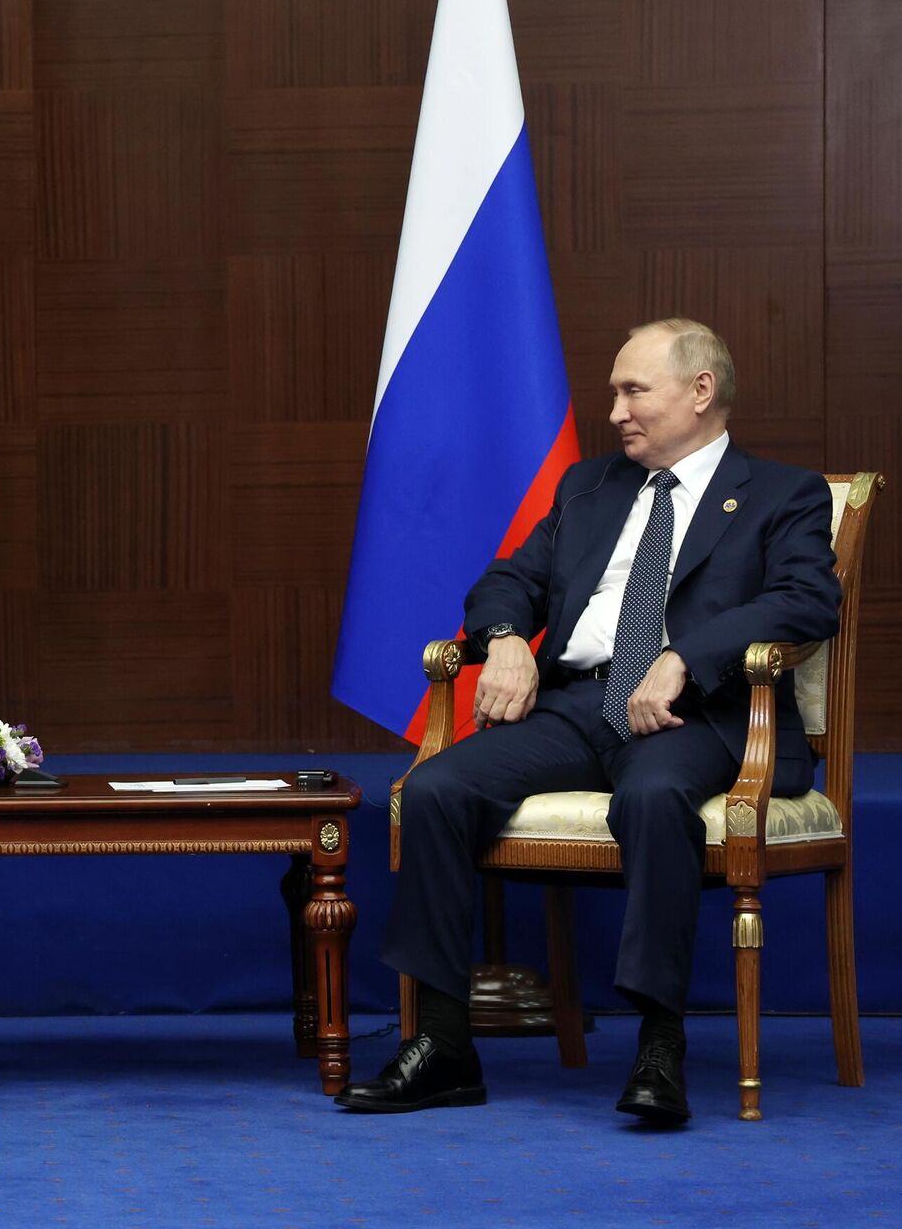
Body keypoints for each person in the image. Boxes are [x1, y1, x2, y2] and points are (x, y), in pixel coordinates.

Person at [338, 319, 839, 1124]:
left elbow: (807, 600)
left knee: (653, 797)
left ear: (700, 391)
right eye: (614, 393)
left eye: (633, 390)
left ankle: (659, 1044)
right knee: (435, 787)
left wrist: (685, 656)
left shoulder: (783, 493)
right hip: (576, 706)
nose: (615, 412)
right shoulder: (591, 486)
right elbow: (507, 580)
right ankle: (442, 1044)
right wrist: (507, 639)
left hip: (695, 715)